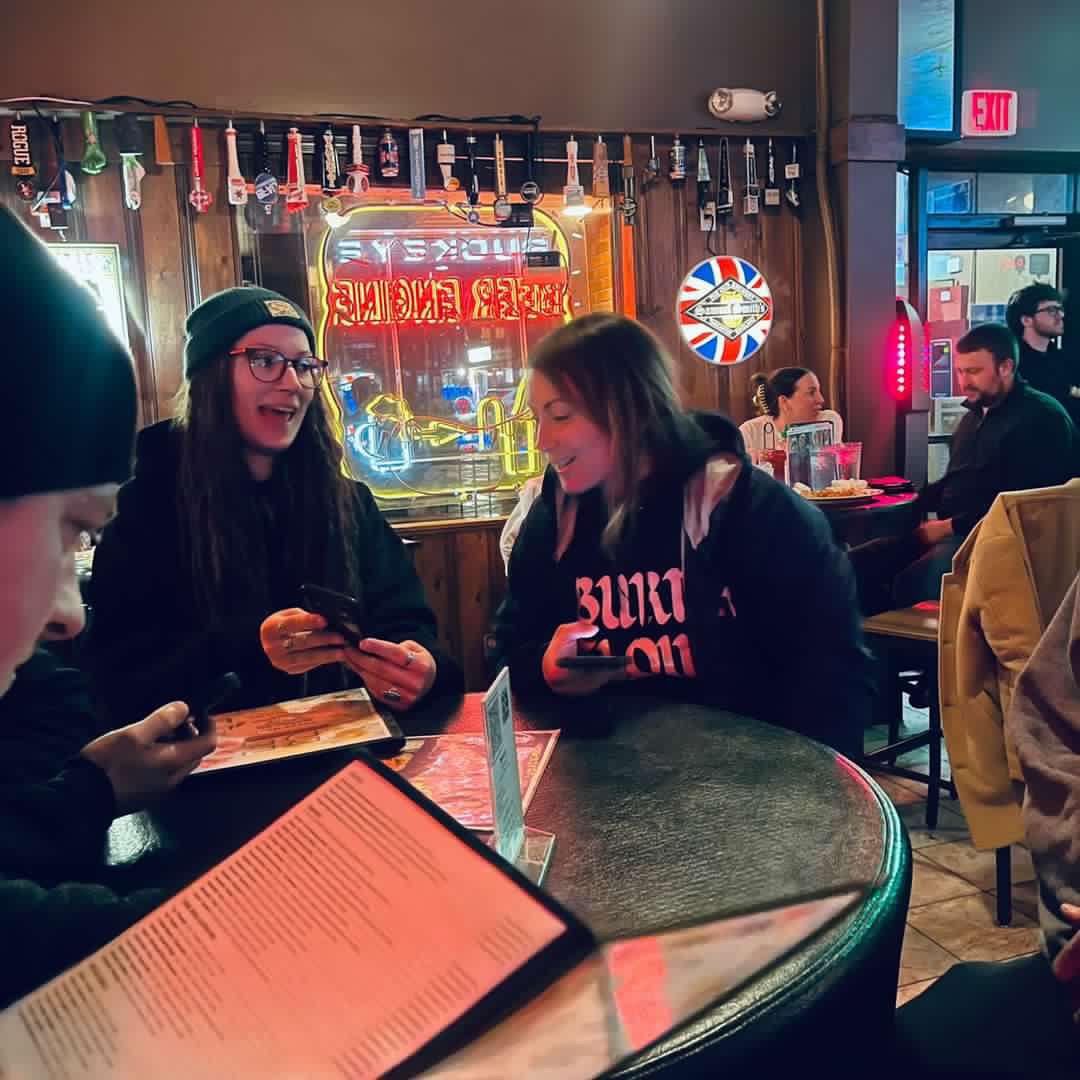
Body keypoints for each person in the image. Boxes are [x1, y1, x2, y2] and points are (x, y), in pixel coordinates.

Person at [0, 206, 217, 1008]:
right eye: (72, 529)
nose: (69, 616)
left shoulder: (343, 500)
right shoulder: (158, 503)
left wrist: (93, 785)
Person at [489, 314, 873, 760]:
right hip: (602, 777)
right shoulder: (554, 517)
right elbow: (506, 653)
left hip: (746, 778)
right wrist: (544, 668)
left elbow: (835, 684)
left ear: (631, 409)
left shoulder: (753, 510)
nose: (542, 440)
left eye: (559, 416)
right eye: (538, 418)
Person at [86, 287, 462, 726]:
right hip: (206, 762)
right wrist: (250, 650)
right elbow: (117, 685)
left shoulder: (348, 503)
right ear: (210, 378)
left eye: (304, 366)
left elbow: (407, 623)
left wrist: (421, 669)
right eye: (265, 361)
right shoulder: (146, 507)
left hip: (351, 752)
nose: (291, 383)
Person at [850, 322, 1077, 614]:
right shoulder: (973, 418)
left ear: (1006, 367)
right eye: (960, 371)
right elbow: (956, 480)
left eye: (974, 371)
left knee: (912, 580)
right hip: (957, 531)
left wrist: (947, 527)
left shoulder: (1041, 418)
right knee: (854, 564)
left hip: (1005, 542)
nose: (964, 381)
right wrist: (910, 506)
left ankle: (911, 639)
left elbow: (1024, 505)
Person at [1006, 283, 1080, 428]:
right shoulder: (1012, 365)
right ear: (1026, 320)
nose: (1061, 315)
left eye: (1060, 309)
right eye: (1051, 310)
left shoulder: (1064, 360)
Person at [738, 367, 843, 453]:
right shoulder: (750, 431)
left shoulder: (828, 421)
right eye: (811, 393)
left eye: (819, 391)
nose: (821, 399)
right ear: (784, 401)